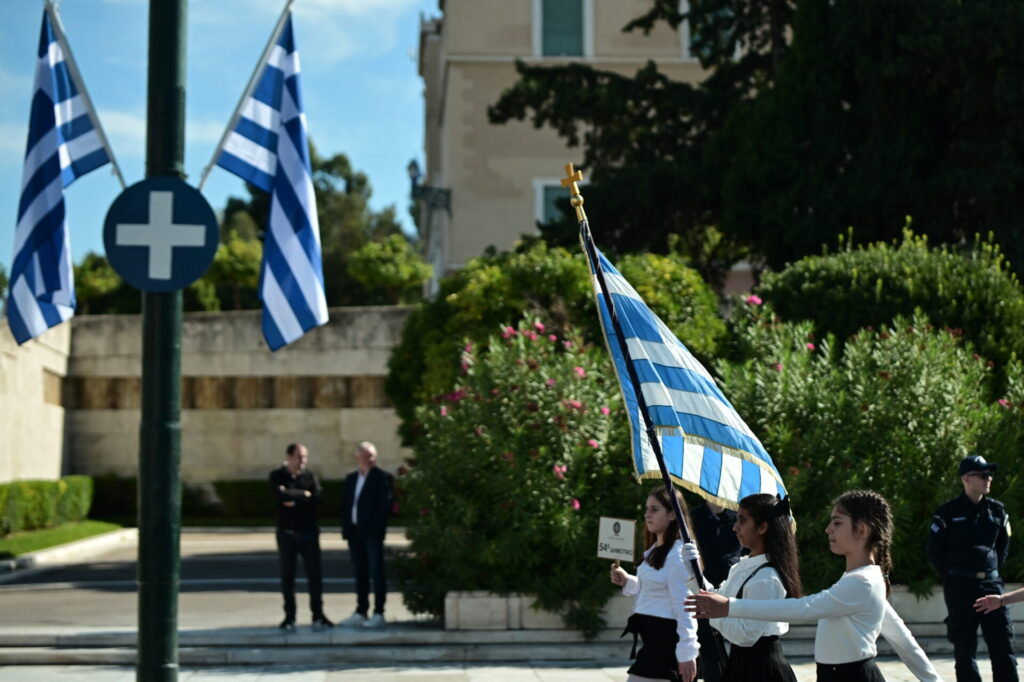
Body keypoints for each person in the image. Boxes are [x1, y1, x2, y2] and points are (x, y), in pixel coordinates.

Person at [686, 490, 941, 682]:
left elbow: (805, 608)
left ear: (861, 530)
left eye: (837, 522)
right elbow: (902, 640)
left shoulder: (862, 582)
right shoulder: (864, 578)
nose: (828, 529)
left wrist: (729, 607)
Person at [685, 493, 801, 682]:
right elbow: (717, 597)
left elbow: (747, 634)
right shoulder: (743, 566)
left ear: (762, 527)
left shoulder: (766, 578)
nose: (735, 527)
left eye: (742, 520)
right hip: (742, 664)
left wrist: (715, 613)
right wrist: (693, 573)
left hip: (762, 670)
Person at [927, 454, 1017, 682]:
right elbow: (935, 551)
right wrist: (952, 577)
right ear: (967, 478)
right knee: (964, 649)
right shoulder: (947, 513)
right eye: (983, 475)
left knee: (1003, 645)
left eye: (990, 475)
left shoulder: (997, 511)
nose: (989, 479)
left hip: (991, 585)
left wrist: (990, 572)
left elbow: (1002, 547)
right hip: (960, 587)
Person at [610, 486, 700, 682]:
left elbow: (685, 606)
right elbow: (655, 590)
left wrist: (687, 652)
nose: (647, 515)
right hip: (653, 643)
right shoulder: (656, 550)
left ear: (672, 515)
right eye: (646, 509)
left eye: (654, 509)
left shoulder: (676, 556)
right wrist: (628, 581)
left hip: (666, 645)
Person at [269, 443, 332, 630]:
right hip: (287, 533)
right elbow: (278, 496)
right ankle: (289, 616)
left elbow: (318, 498)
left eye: (304, 457)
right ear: (289, 456)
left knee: (315, 576)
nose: (302, 461)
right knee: (288, 576)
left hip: (309, 533)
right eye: (299, 456)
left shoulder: (309, 476)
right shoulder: (277, 476)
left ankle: (318, 615)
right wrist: (304, 495)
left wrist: (295, 497)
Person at [339, 441, 393, 628]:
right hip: (354, 534)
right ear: (357, 458)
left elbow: (384, 507)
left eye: (371, 456)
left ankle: (378, 613)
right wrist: (347, 528)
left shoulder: (382, 478)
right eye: (365, 456)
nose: (368, 460)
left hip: (371, 534)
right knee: (359, 573)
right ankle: (361, 611)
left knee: (376, 573)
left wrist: (373, 528)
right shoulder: (351, 479)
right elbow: (346, 505)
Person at [690, 501, 743, 587]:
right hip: (701, 579)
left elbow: (744, 551)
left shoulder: (738, 517)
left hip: (732, 579)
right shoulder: (693, 517)